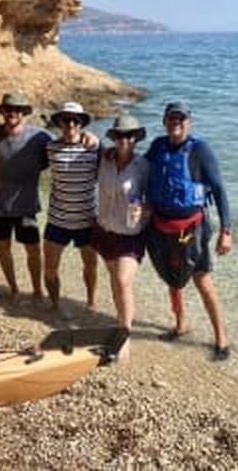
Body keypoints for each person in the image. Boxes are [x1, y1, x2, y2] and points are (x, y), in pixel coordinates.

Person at [144, 101, 233, 360]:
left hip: (192, 227)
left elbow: (219, 190)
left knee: (202, 280)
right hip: (162, 225)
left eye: (181, 119)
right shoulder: (157, 146)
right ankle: (181, 324)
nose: (176, 123)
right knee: (173, 278)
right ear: (164, 121)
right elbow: (140, 170)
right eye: (171, 118)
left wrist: (226, 229)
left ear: (188, 122)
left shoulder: (201, 150)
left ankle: (221, 338)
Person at [0, 93, 53, 302]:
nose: (12, 113)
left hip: (26, 205)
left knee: (33, 250)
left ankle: (37, 290)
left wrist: (93, 141)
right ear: (2, 112)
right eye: (8, 109)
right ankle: (13, 289)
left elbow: (62, 150)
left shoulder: (40, 137)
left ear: (24, 113)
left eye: (17, 109)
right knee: (3, 248)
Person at [93, 114, 149, 362]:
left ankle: (124, 336)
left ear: (136, 138)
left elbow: (156, 198)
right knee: (115, 281)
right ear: (113, 138)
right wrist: (88, 137)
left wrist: (145, 209)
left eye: (129, 135)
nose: (124, 139)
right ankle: (119, 322)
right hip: (104, 230)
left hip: (131, 234)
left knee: (123, 280)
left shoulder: (144, 166)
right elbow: (84, 147)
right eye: (119, 135)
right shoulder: (103, 160)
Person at [43, 102, 100, 314]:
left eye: (75, 120)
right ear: (58, 122)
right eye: (66, 119)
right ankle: (55, 304)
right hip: (57, 219)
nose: (70, 124)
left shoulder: (95, 148)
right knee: (49, 268)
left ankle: (91, 302)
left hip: (87, 220)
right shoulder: (50, 147)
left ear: (82, 123)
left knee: (91, 266)